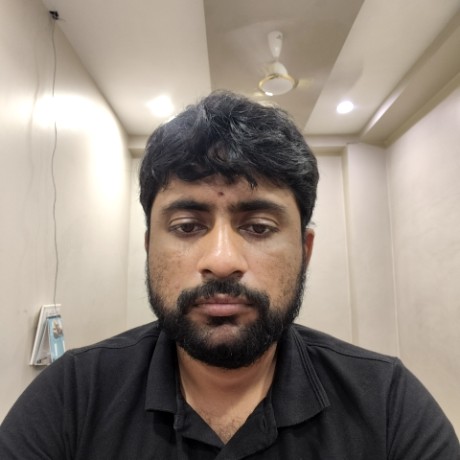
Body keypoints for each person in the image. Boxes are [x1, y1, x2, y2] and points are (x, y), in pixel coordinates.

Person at [0, 91, 458, 459]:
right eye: (187, 226)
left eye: (258, 227)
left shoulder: (387, 404)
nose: (221, 261)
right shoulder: (71, 396)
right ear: (149, 247)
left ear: (304, 250)